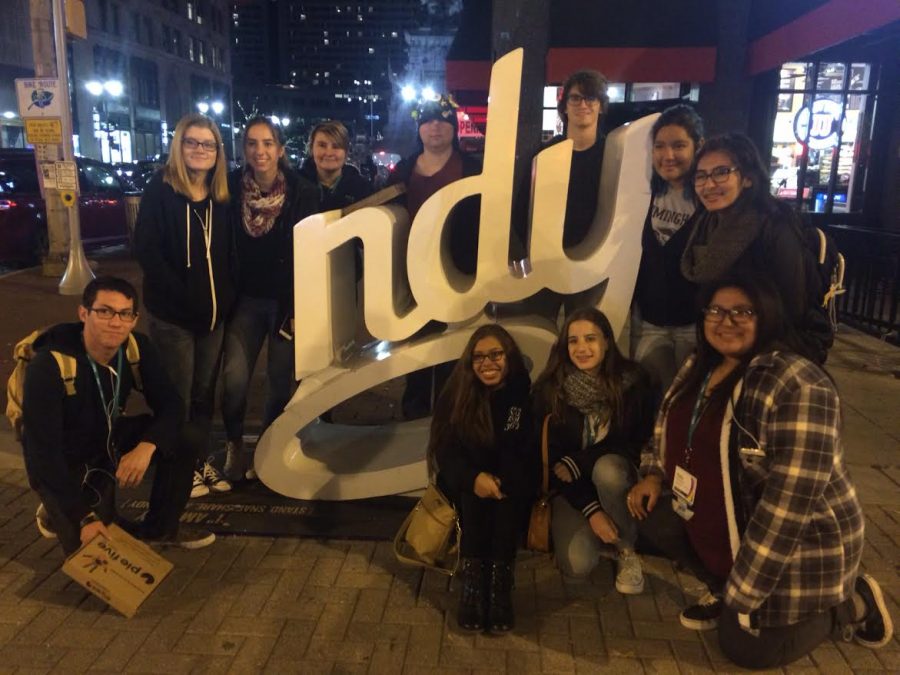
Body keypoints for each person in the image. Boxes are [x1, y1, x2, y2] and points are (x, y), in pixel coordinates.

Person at [627, 276, 893, 669]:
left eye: (742, 312)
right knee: (651, 516)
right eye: (716, 311)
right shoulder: (700, 365)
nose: (726, 321)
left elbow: (787, 511)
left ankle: (853, 603)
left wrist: (745, 594)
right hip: (724, 520)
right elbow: (665, 429)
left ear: (767, 316)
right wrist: (652, 473)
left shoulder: (796, 384)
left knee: (746, 649)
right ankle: (721, 587)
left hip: (799, 549)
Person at [22, 276, 214, 554]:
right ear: (83, 313)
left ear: (134, 319)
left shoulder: (135, 348)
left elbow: (172, 405)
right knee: (97, 554)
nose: (116, 323)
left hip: (106, 438)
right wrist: (82, 517)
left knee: (186, 434)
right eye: (105, 311)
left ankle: (160, 530)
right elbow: (44, 456)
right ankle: (57, 510)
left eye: (125, 314)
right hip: (61, 458)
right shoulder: (50, 364)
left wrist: (147, 446)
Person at [134, 113, 235, 498]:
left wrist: (225, 298)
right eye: (192, 142)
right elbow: (148, 251)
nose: (200, 150)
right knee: (176, 395)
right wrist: (181, 297)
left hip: (213, 319)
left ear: (217, 152)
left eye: (208, 144)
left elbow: (230, 254)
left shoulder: (221, 197)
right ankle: (175, 468)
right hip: (174, 317)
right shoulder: (160, 191)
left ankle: (196, 460)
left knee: (202, 396)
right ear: (179, 146)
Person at [221, 116, 319, 481]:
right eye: (251, 143)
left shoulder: (302, 191)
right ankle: (234, 444)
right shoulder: (229, 187)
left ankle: (268, 448)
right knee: (234, 379)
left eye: (266, 143)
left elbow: (310, 252)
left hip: (284, 302)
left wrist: (300, 306)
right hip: (243, 300)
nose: (259, 151)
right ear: (244, 149)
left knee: (281, 381)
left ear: (280, 149)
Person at [532, 308, 654, 591]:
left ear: (607, 341)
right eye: (573, 341)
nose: (581, 348)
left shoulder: (632, 383)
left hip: (616, 478)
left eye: (590, 338)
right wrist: (592, 511)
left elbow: (635, 443)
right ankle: (601, 527)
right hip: (572, 492)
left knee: (608, 469)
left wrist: (581, 461)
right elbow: (554, 463)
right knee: (577, 566)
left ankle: (625, 550)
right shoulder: (550, 390)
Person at [680, 133, 828, 363]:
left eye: (721, 172)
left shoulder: (774, 226)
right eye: (700, 176)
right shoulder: (706, 223)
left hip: (769, 351)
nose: (708, 185)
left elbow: (793, 305)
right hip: (723, 345)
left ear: (748, 177)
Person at [428, 325, 535, 633]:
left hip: (507, 481)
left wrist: (498, 483)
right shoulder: (459, 393)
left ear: (509, 356)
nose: (487, 363)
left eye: (496, 354)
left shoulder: (520, 394)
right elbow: (445, 450)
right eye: (479, 357)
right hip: (465, 481)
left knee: (504, 504)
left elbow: (520, 446)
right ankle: (474, 587)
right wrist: (474, 478)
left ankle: (499, 588)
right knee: (474, 501)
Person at [387, 94, 482, 418]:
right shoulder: (402, 171)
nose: (435, 127)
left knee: (452, 354)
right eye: (427, 121)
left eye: (443, 120)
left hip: (459, 273)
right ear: (419, 128)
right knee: (415, 351)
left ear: (454, 127)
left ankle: (449, 422)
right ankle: (414, 418)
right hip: (412, 275)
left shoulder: (473, 168)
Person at [631, 105, 704, 397]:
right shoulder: (644, 193)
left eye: (678, 145)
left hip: (694, 325)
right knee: (653, 400)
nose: (668, 155)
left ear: (698, 146)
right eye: (659, 146)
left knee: (691, 399)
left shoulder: (709, 199)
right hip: (649, 322)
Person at [299, 120, 373, 212]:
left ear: (346, 152)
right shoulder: (294, 186)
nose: (329, 153)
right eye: (322, 145)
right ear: (311, 148)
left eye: (336, 146)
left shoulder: (363, 189)